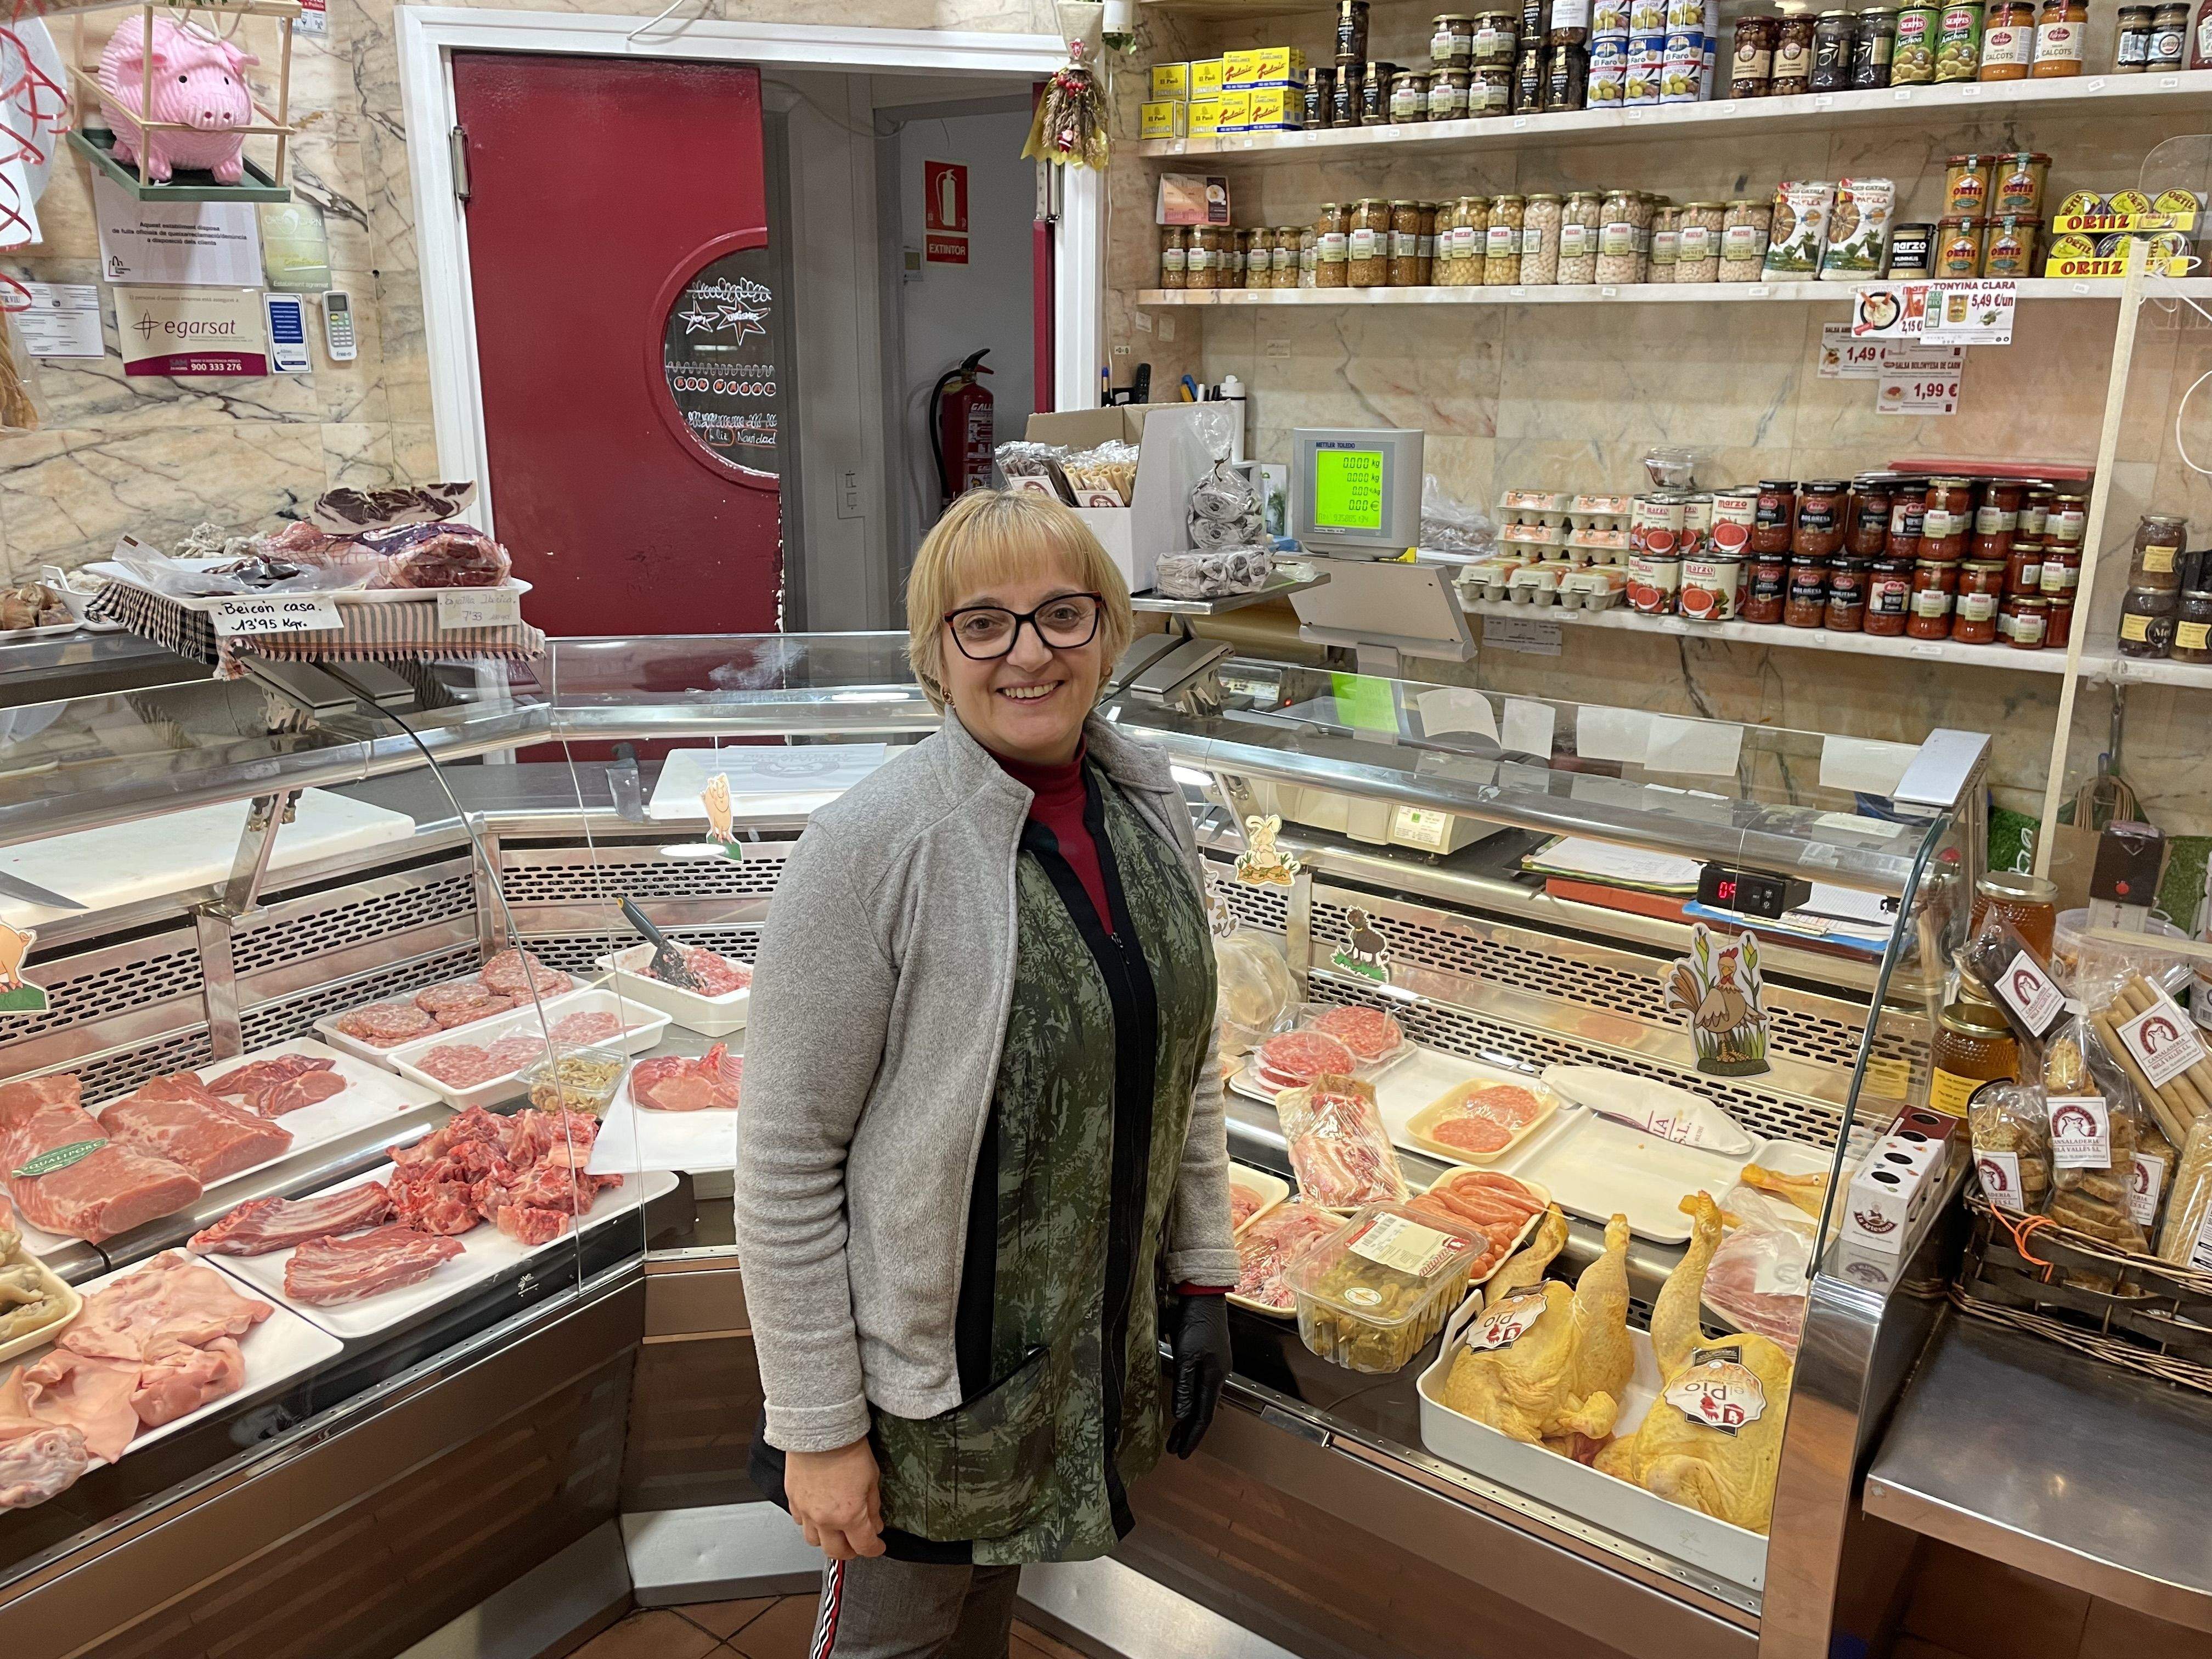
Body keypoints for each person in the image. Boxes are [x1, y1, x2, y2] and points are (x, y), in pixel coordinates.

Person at [736, 489, 1238, 1659]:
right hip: (924, 1394)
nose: (1029, 653)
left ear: (1108, 629)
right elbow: (786, 1160)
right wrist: (818, 1428)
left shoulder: (1143, 803)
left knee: (978, 1636)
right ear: (937, 654)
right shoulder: (872, 848)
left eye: (1062, 614)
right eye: (983, 624)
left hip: (1072, 1359)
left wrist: (1202, 1274)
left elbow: (1190, 1061)